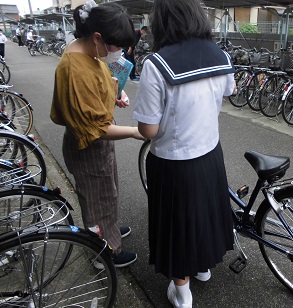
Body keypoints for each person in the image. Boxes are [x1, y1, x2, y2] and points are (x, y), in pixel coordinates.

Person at [132, 0, 236, 306]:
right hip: (210, 153)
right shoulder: (220, 55)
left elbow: (148, 130)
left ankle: (182, 291)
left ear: (162, 22)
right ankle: (203, 267)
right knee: (205, 214)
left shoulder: (157, 64)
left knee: (176, 223)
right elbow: (228, 91)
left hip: (173, 161)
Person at [50, 0, 144, 268]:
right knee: (97, 199)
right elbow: (96, 129)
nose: (117, 53)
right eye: (115, 47)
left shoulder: (89, 52)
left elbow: (104, 80)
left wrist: (117, 92)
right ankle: (104, 253)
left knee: (107, 192)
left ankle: (110, 231)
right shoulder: (75, 67)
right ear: (97, 38)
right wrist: (135, 132)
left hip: (96, 141)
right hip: (89, 145)